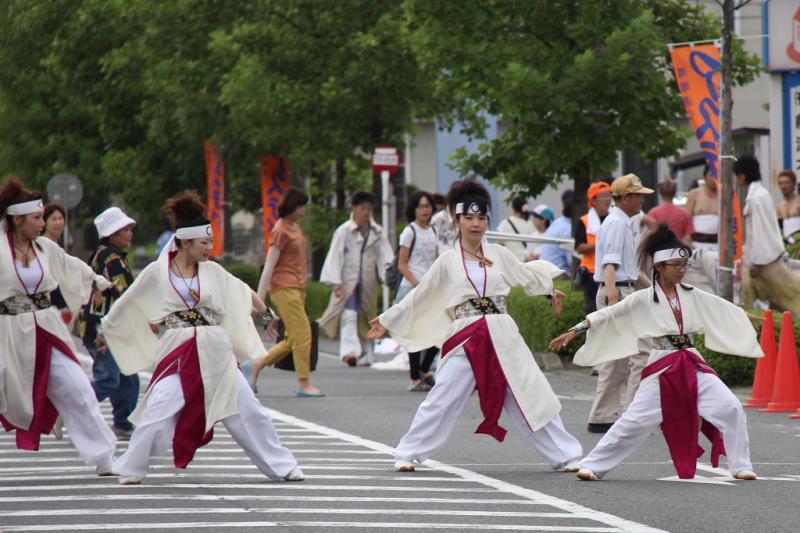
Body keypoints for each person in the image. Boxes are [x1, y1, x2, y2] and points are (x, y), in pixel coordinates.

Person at [368, 179, 583, 474]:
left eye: (481, 217)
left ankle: (567, 455)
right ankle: (408, 452)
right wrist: (388, 318)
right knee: (442, 397)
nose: (475, 224)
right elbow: (421, 294)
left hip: (502, 333)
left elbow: (524, 275)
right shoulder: (447, 261)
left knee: (529, 393)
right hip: (466, 336)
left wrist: (548, 290)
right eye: (468, 218)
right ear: (456, 220)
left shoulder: (499, 254)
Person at [101, 190, 303, 485]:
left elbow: (242, 291)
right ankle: (132, 466)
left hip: (215, 350)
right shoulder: (159, 272)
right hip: (180, 350)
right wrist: (108, 329)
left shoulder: (213, 271)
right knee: (158, 409)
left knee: (248, 411)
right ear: (185, 242)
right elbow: (129, 301)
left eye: (211, 241)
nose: (210, 247)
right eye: (204, 242)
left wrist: (268, 314)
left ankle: (282, 466)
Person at [549, 224, 761, 481]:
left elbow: (722, 308)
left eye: (685, 266)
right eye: (676, 266)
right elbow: (610, 313)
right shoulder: (644, 298)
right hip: (663, 365)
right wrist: (576, 329)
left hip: (693, 363)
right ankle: (593, 464)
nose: (682, 271)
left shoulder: (693, 294)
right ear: (659, 267)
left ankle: (741, 465)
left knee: (730, 406)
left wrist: (747, 317)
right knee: (634, 421)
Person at [0, 178, 116, 475]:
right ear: (17, 219)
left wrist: (99, 282)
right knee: (6, 393)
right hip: (9, 333)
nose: (43, 223)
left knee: (79, 389)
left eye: (42, 217)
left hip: (46, 328)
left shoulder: (44, 249)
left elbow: (71, 265)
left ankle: (104, 458)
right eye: (37, 218)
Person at [586, 174, 653, 434]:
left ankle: (603, 416)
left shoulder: (621, 222)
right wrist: (614, 301)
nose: (641, 200)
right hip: (618, 292)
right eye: (637, 196)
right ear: (624, 198)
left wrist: (655, 289)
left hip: (621, 291)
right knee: (642, 353)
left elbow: (632, 270)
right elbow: (610, 265)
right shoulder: (616, 223)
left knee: (616, 358)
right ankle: (634, 414)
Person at [252, 187, 322, 397]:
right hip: (284, 287)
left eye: (304, 206)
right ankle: (304, 383)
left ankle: (255, 365)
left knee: (293, 338)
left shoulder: (295, 226)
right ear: (291, 206)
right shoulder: (280, 229)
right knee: (303, 334)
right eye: (300, 206)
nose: (303, 210)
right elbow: (269, 266)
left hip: (298, 288)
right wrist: (259, 301)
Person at [79, 207, 139, 440]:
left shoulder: (104, 254)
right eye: (125, 229)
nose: (130, 233)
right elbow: (126, 295)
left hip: (110, 327)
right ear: (112, 233)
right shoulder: (111, 259)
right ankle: (69, 406)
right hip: (103, 330)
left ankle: (123, 423)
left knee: (128, 376)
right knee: (109, 379)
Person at [319, 191, 393, 367]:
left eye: (369, 209)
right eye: (362, 208)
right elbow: (335, 256)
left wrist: (387, 275)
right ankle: (350, 352)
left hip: (368, 282)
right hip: (348, 281)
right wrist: (335, 281)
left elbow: (385, 256)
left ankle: (368, 354)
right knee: (349, 315)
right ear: (355, 208)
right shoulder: (344, 231)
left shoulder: (377, 231)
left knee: (369, 317)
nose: (366, 213)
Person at [736, 156, 800, 314]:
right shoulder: (760, 195)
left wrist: (756, 263)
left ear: (742, 176)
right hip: (764, 257)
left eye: (737, 176)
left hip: (766, 261)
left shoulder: (757, 198)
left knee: (791, 301)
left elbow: (760, 230)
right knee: (750, 300)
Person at [396, 190, 439, 392]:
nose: (425, 210)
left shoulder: (433, 231)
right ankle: (415, 378)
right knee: (415, 334)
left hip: (429, 289)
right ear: (413, 209)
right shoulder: (409, 231)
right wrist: (417, 283)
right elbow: (402, 264)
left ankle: (424, 369)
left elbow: (437, 260)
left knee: (440, 330)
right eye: (421, 206)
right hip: (412, 288)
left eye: (428, 206)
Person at [575, 182, 613, 314]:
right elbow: (579, 248)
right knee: (593, 310)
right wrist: (600, 243)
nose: (607, 199)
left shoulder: (615, 218)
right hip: (591, 274)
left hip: (613, 271)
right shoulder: (584, 221)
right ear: (593, 200)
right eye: (603, 196)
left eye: (609, 196)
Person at [648, 179, 693, 245]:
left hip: (659, 251)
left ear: (660, 193)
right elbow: (688, 239)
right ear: (675, 192)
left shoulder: (653, 213)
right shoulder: (684, 213)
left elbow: (649, 236)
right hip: (678, 251)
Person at [685, 165, 719, 250]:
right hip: (696, 244)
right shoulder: (694, 194)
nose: (714, 179)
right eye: (711, 175)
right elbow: (686, 219)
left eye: (717, 176)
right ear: (705, 177)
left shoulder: (723, 196)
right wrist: (688, 241)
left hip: (718, 244)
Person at [540, 190, 574, 273]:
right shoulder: (568, 230)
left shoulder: (558, 222)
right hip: (557, 274)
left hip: (545, 270)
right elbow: (573, 262)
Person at [496, 196, 535, 261]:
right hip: (527, 263)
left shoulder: (505, 223)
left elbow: (499, 245)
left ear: (513, 208)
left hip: (511, 263)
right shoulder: (532, 224)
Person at [777, 169, 800, 256]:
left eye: (787, 183)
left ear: (793, 184)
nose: (784, 186)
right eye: (781, 183)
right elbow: (780, 229)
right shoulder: (780, 206)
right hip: (787, 246)